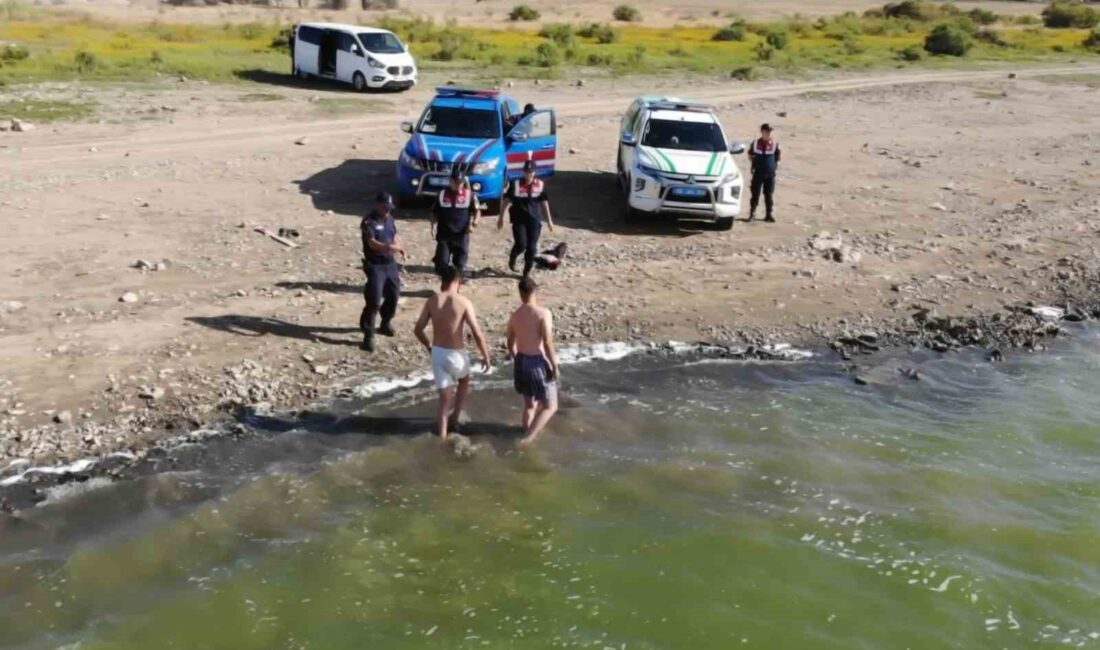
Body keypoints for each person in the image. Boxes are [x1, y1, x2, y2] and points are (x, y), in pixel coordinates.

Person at [413, 265, 492, 440]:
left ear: (443, 281)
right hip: (456, 354)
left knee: (444, 401)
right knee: (464, 380)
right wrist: (485, 355)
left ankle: (441, 439)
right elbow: (477, 332)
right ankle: (455, 418)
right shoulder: (463, 302)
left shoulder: (433, 301)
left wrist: (428, 346)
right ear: (457, 281)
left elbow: (418, 329)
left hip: (438, 353)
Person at [506, 276, 559, 447]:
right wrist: (554, 366)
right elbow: (547, 342)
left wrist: (516, 357)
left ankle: (526, 431)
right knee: (550, 406)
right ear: (535, 291)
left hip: (521, 361)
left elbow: (509, 343)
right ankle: (528, 439)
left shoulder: (515, 315)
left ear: (520, 294)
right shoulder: (543, 313)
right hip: (537, 362)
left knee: (530, 406)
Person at [359, 191, 406, 352]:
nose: (387, 210)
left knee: (394, 295)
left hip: (390, 264)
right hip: (375, 265)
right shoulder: (369, 221)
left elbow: (394, 236)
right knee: (374, 299)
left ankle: (386, 322)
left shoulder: (390, 219)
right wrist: (388, 247)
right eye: (385, 207)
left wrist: (399, 248)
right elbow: (371, 243)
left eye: (389, 208)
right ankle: (368, 334)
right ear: (377, 205)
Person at [498, 160, 555, 276]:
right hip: (519, 220)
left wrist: (549, 220)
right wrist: (501, 217)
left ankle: (526, 272)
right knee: (521, 244)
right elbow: (506, 201)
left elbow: (544, 202)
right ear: (523, 172)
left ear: (534, 173)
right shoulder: (515, 184)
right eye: (526, 172)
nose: (529, 175)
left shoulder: (540, 185)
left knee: (532, 247)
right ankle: (513, 258)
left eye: (531, 172)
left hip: (534, 219)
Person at [432, 167, 479, 277]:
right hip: (445, 234)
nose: (459, 185)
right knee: (441, 265)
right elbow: (434, 212)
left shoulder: (469, 195)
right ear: (450, 181)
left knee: (459, 265)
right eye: (456, 182)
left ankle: (455, 288)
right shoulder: (442, 195)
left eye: (461, 182)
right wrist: (432, 226)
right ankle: (445, 287)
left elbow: (477, 211)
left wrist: (474, 224)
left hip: (461, 235)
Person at [747, 123, 782, 223]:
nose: (768, 133)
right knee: (755, 194)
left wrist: (774, 167)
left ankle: (768, 214)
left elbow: (777, 157)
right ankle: (752, 214)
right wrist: (755, 164)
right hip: (758, 173)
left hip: (770, 174)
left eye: (770, 131)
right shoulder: (755, 143)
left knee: (769, 195)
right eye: (766, 131)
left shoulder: (775, 144)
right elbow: (750, 154)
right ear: (762, 132)